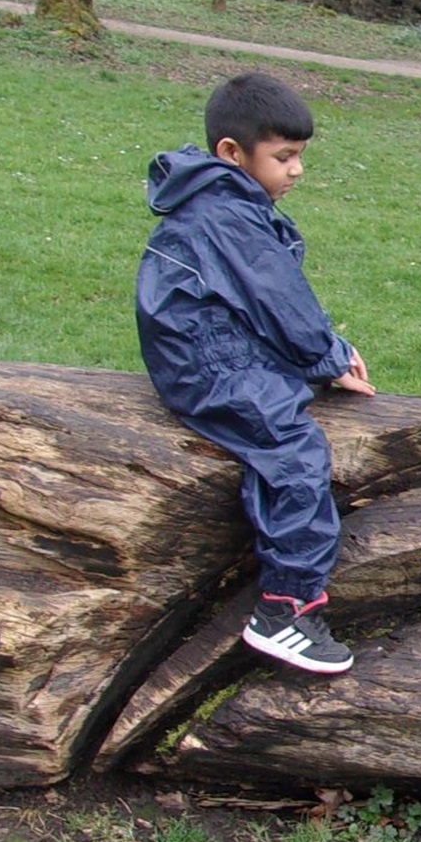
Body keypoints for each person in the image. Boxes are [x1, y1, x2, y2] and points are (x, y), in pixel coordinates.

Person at [136, 71, 371, 675]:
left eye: (300, 157)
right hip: (209, 368)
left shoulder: (227, 201)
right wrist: (328, 355)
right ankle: (285, 610)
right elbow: (279, 301)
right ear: (232, 154)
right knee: (294, 456)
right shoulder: (224, 214)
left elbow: (267, 300)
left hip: (221, 348)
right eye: (284, 157)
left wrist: (323, 358)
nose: (296, 171)